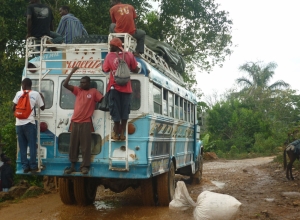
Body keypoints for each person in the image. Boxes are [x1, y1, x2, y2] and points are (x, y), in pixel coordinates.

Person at [63, 67, 103, 174]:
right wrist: (71, 72)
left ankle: (85, 166)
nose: (81, 84)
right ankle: (72, 165)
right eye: (80, 82)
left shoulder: (94, 91)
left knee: (86, 146)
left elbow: (102, 99)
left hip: (86, 122)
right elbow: (65, 85)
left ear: (89, 83)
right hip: (75, 122)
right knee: (73, 145)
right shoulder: (78, 90)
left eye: (84, 82)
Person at [102, 37, 139, 141]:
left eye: (111, 45)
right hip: (127, 89)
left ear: (115, 46)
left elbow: (105, 69)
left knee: (115, 110)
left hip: (114, 87)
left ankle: (115, 132)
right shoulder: (129, 55)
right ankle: (122, 133)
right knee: (125, 112)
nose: (109, 47)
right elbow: (135, 69)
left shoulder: (109, 56)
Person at [12, 78, 45, 173]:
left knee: (22, 146)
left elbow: (12, 108)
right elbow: (43, 108)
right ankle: (33, 166)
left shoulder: (18, 94)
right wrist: (41, 97)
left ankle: (25, 166)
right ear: (30, 85)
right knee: (32, 145)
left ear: (24, 85)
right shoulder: (35, 94)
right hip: (29, 123)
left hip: (18, 124)